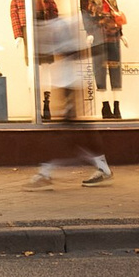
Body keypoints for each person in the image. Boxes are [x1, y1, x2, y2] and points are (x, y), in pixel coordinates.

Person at [30, 11, 113, 186]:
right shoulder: (50, 25)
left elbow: (72, 52)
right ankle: (100, 166)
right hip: (64, 84)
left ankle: (46, 172)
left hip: (68, 84)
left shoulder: (61, 25)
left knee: (67, 133)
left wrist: (92, 50)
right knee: (72, 132)